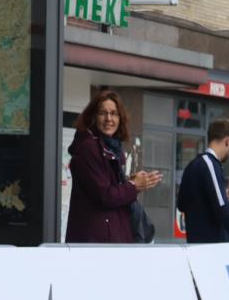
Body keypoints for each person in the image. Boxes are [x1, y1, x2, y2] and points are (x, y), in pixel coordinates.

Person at [65, 90, 161, 243]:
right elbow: (104, 196)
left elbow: (105, 185)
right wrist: (133, 186)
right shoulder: (89, 148)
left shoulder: (109, 147)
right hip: (97, 242)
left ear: (120, 118)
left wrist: (129, 181)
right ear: (93, 117)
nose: (109, 119)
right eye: (103, 113)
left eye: (114, 113)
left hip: (108, 238)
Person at [177, 118, 229, 253]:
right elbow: (222, 208)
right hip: (213, 248)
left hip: (195, 247)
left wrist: (220, 197)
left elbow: (182, 204)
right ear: (228, 141)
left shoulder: (192, 165)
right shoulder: (210, 165)